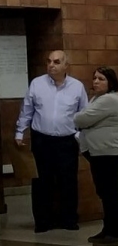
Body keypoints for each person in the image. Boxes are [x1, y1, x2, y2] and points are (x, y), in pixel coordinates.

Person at [15, 50, 87, 233]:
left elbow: (83, 114)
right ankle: (42, 221)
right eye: (48, 61)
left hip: (67, 141)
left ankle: (69, 219)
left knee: (68, 181)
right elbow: (27, 110)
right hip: (42, 139)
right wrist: (19, 132)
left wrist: (80, 137)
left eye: (56, 62)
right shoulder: (37, 84)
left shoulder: (77, 87)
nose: (51, 65)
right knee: (41, 182)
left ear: (66, 66)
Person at [74, 67, 118, 246]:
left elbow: (82, 119)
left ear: (110, 82)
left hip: (107, 153)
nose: (95, 81)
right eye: (94, 78)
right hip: (98, 153)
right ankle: (108, 229)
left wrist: (76, 116)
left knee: (110, 194)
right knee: (104, 193)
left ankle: (115, 233)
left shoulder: (109, 100)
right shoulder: (98, 98)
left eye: (101, 78)